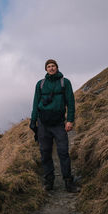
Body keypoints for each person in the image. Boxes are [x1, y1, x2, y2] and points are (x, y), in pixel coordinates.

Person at [30, 59, 79, 193]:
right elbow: (35, 103)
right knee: (45, 153)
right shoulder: (40, 84)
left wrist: (70, 120)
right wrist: (33, 121)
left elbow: (70, 102)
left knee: (63, 152)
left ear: (57, 67)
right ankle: (49, 181)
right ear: (46, 69)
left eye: (53, 66)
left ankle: (69, 182)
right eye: (49, 66)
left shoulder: (65, 82)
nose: (51, 68)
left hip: (58, 123)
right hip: (43, 124)